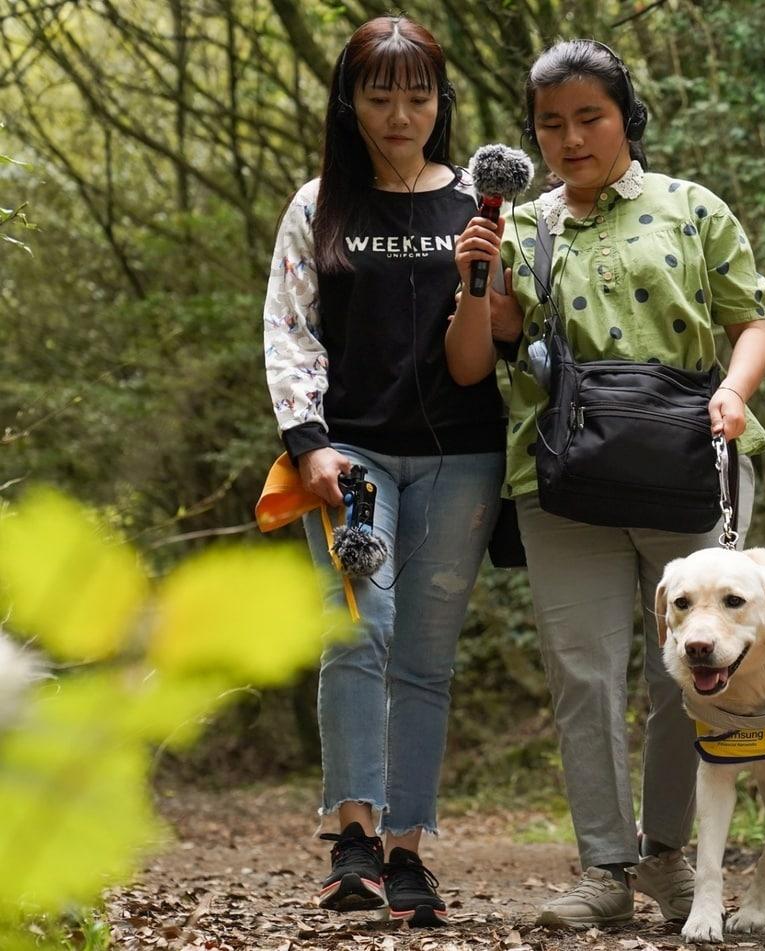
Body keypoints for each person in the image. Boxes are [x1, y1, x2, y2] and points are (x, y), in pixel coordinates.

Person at [475, 38, 765, 929]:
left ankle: (669, 857)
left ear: (625, 118)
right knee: (584, 674)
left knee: (696, 665)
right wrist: (484, 262)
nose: (572, 139)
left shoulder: (692, 208)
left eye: (589, 118)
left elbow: (750, 320)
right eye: (551, 124)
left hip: (692, 457)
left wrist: (731, 391)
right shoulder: (527, 224)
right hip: (563, 473)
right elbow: (497, 336)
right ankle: (603, 870)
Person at [261, 14, 507, 928]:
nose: (400, 114)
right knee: (359, 629)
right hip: (351, 453)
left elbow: (510, 331)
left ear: (441, 103)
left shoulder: (481, 203)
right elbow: (288, 329)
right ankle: (353, 836)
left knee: (426, 657)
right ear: (350, 102)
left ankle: (408, 850)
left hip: (463, 455)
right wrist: (307, 439)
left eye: (417, 95)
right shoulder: (321, 203)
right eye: (379, 95)